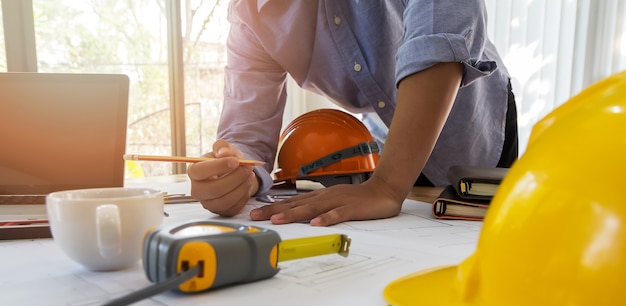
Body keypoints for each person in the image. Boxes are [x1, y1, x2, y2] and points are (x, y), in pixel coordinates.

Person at [188, 0, 518, 226]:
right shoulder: (250, 14)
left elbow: (441, 27)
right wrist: (235, 175)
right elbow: (246, 136)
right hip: (390, 144)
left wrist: (388, 185)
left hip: (477, 128)